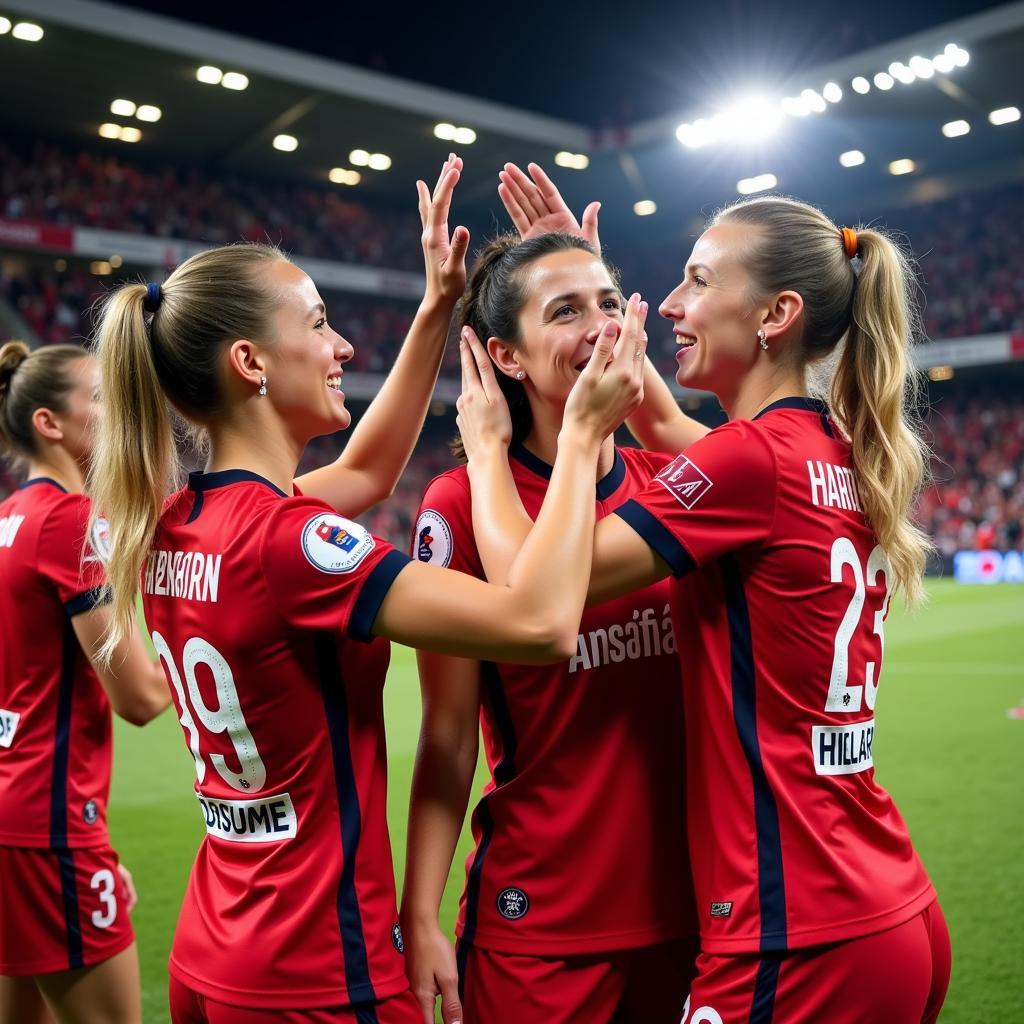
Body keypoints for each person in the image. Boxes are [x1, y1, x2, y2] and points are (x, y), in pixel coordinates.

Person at [86, 155, 650, 1024]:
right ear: (250, 362)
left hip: (215, 941)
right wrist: (571, 441)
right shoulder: (295, 540)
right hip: (317, 962)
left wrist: (437, 305)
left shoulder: (173, 523)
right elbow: (539, 622)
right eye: (318, 324)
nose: (342, 344)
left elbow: (369, 468)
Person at [460, 178, 950, 1024]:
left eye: (697, 280)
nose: (669, 306)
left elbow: (534, 592)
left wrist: (504, 448)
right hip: (884, 896)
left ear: (775, 314)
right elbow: (677, 442)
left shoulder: (749, 462)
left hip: (794, 931)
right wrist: (595, 308)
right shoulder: (825, 447)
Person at [401, 231, 698, 1024]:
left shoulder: (680, 485)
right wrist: (420, 911)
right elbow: (447, 734)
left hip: (698, 908)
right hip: (541, 923)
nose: (600, 326)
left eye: (608, 301)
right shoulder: (458, 506)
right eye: (565, 311)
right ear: (507, 357)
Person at [0, 340, 170, 1024]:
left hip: (17, 816)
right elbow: (142, 697)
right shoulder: (71, 522)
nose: (118, 414)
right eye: (99, 400)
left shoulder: (12, 518)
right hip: (47, 826)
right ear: (50, 424)